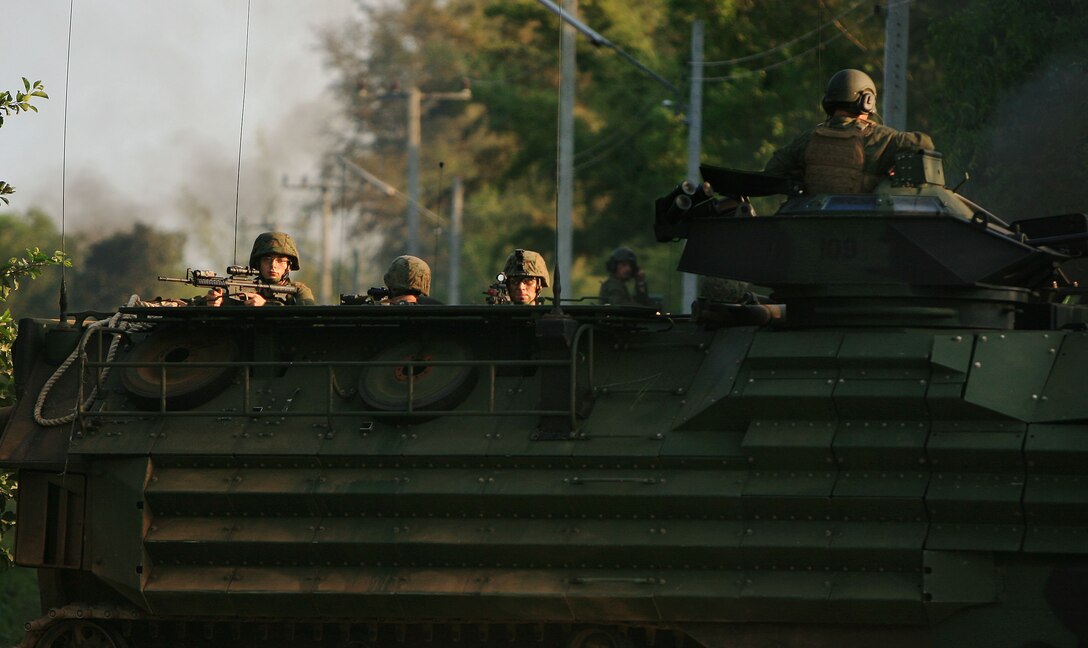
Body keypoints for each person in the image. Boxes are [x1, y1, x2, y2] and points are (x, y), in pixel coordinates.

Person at [763, 68, 935, 194]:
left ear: (828, 102)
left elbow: (772, 172)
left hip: (811, 226)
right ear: (867, 101)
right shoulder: (883, 139)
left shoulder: (808, 139)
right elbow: (923, 143)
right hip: (864, 226)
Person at [201, 231, 316, 306]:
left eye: (280, 260)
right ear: (258, 263)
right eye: (267, 259)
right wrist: (215, 301)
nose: (273, 265)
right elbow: (197, 303)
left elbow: (306, 317)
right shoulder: (245, 290)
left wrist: (265, 305)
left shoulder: (298, 291)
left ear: (289, 266)